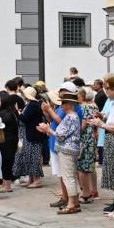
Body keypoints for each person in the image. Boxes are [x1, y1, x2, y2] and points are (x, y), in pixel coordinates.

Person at [37, 85, 83, 213]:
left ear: (68, 104)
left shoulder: (70, 117)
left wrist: (48, 130)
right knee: (71, 176)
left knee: (68, 177)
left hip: (67, 150)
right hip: (69, 149)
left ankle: (72, 204)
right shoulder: (72, 116)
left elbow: (61, 135)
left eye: (62, 103)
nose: (61, 106)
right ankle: (74, 202)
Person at [90, 75, 114, 215]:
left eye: (107, 88)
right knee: (113, 175)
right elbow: (113, 121)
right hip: (112, 140)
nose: (106, 91)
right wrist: (103, 117)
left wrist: (101, 124)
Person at [15, 86, 45, 188]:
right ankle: (31, 179)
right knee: (29, 156)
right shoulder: (31, 104)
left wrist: (17, 112)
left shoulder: (33, 105)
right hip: (29, 134)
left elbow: (24, 118)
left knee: (34, 157)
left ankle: (36, 180)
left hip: (33, 135)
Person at [76, 87, 100, 203]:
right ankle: (88, 191)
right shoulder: (88, 107)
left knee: (84, 167)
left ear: (81, 96)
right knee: (85, 167)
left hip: (85, 140)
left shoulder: (84, 107)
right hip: (87, 140)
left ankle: (87, 193)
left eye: (78, 95)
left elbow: (82, 126)